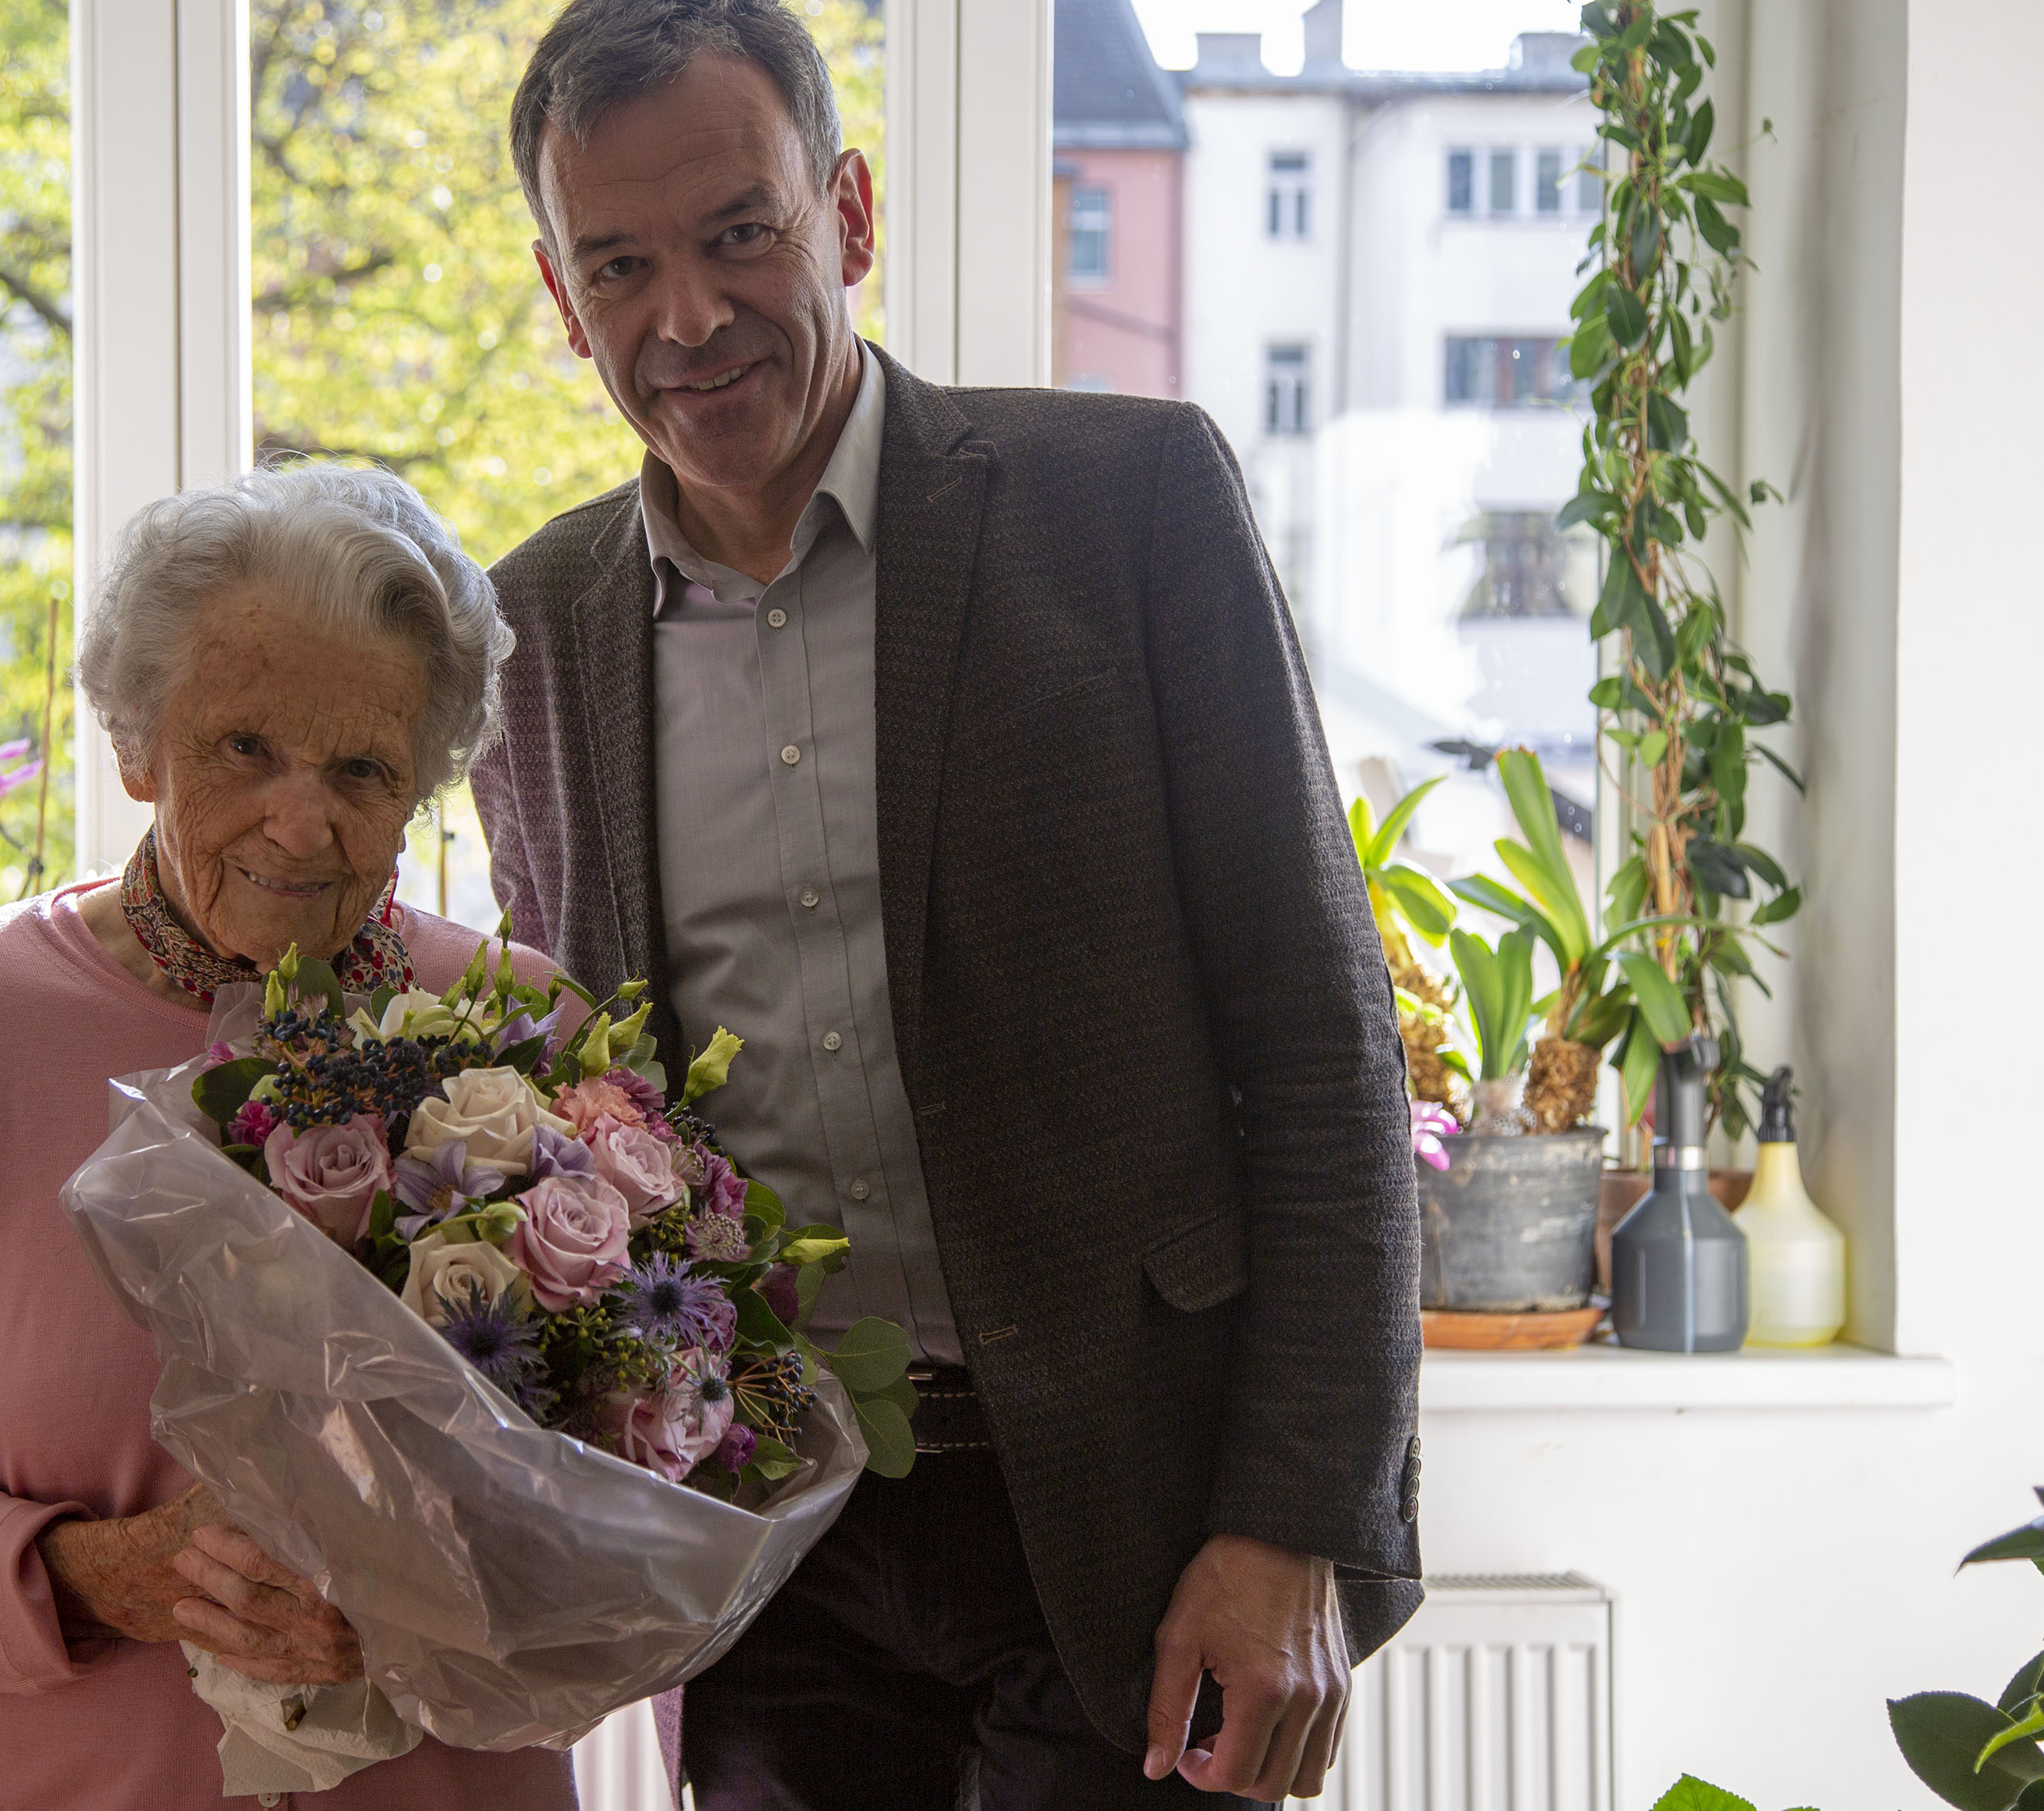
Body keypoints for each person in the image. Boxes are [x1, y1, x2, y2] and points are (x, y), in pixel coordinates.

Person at [473, 2, 1425, 1805]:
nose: (686, 318)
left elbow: (1320, 1049)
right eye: (621, 265)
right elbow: (579, 1127)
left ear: (846, 214)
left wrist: (1296, 1519)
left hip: (1125, 1521)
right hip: (776, 1549)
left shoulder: (1128, 505)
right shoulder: (536, 632)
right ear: (557, 292)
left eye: (738, 232)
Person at [0, 465, 576, 1810]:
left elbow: (632, 1487)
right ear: (139, 744)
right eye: (244, 746)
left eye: (362, 765)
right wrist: (101, 1573)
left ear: (422, 782)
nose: (300, 820)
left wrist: (431, 1595)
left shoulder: (522, 1029)